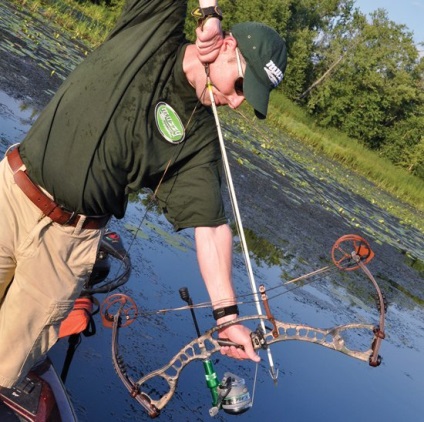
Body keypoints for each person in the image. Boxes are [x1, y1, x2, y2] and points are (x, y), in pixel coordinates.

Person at [0, 0, 287, 389]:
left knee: (4, 367)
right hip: (12, 196)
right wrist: (209, 11)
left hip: (68, 248)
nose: (235, 101)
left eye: (246, 98)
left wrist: (228, 318)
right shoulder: (154, 24)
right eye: (240, 85)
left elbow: (211, 226)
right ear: (227, 45)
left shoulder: (199, 140)